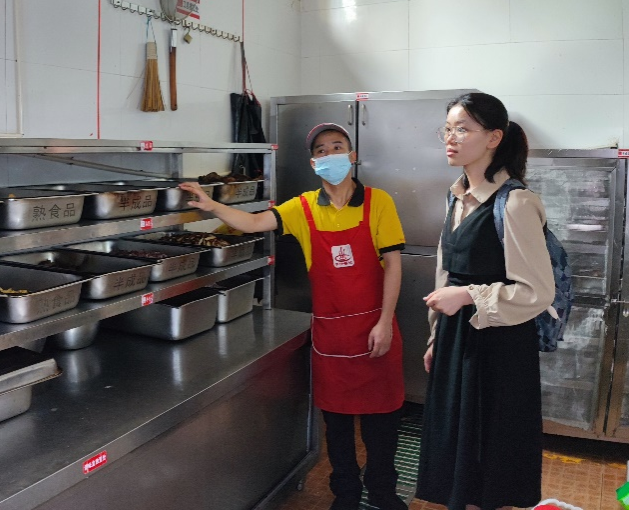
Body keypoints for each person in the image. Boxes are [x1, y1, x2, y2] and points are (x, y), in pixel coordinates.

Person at [180, 123, 407, 510]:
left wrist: (385, 322)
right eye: (321, 150)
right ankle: (346, 494)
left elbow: (394, 265)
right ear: (313, 163)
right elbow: (254, 223)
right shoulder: (302, 208)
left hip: (376, 329)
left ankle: (383, 492)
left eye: (337, 146)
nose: (330, 154)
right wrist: (211, 205)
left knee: (382, 422)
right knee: (336, 424)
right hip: (332, 336)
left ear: (352, 156)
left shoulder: (378, 202)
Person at [416, 92, 555, 510]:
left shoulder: (516, 203)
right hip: (457, 338)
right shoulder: (456, 196)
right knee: (456, 445)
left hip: (499, 347)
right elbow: (446, 271)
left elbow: (536, 292)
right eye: (447, 129)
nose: (451, 138)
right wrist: (436, 337)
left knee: (489, 452)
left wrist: (467, 296)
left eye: (463, 129)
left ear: (494, 137)